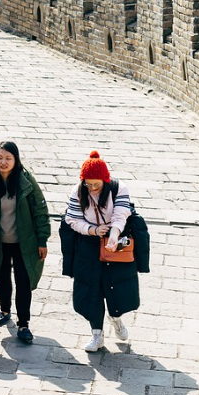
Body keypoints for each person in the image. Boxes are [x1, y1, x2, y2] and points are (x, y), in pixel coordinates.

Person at [60, 150, 149, 352]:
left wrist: (113, 234)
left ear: (105, 180)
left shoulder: (119, 188)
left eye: (96, 184)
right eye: (88, 184)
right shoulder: (78, 191)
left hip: (116, 241)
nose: (92, 188)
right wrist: (92, 230)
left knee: (118, 286)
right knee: (92, 289)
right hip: (88, 244)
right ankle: (96, 334)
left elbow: (121, 214)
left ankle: (116, 319)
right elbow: (72, 219)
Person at [0, 141, 50, 343]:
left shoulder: (26, 181)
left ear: (16, 160)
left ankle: (24, 324)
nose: (3, 162)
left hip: (25, 242)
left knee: (23, 281)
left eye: (8, 158)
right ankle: (5, 311)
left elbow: (40, 212)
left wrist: (42, 240)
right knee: (1, 277)